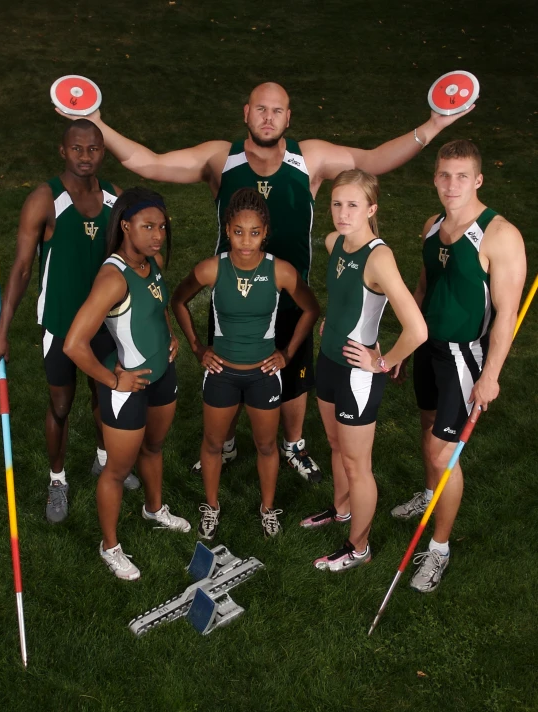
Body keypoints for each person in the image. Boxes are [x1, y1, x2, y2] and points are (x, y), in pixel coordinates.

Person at [57, 82, 471, 483]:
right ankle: (227, 442)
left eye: (277, 110)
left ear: (288, 117)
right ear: (246, 114)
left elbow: (375, 160)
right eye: (260, 108)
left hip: (291, 294)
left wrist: (433, 124)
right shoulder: (221, 159)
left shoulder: (311, 158)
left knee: (290, 378)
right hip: (233, 296)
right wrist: (96, 121)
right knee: (229, 365)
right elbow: (147, 162)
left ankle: (293, 444)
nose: (268, 117)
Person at [0, 119, 140, 527]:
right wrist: (2, 332)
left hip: (106, 324)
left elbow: (136, 259)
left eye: (93, 149)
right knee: (60, 405)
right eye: (77, 149)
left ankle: (104, 458)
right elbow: (21, 269)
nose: (85, 156)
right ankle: (58, 479)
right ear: (63, 151)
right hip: (60, 324)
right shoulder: (45, 199)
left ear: (102, 152)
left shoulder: (116, 199)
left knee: (105, 397)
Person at [390, 140, 526, 592]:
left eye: (462, 176)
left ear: (479, 179)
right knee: (426, 425)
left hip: (464, 355)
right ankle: (429, 497)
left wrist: (490, 376)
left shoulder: (499, 234)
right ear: (434, 177)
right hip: (429, 346)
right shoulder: (432, 226)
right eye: (445, 175)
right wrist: (408, 346)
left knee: (442, 453)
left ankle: (439, 549)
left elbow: (507, 314)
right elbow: (424, 287)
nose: (452, 185)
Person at [171, 188, 320, 539]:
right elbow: (178, 299)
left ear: (265, 231)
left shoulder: (280, 271)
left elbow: (311, 308)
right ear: (227, 230)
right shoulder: (212, 268)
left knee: (267, 446)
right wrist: (196, 347)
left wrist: (286, 353)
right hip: (221, 374)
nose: (246, 241)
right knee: (212, 443)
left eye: (254, 233)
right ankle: (212, 506)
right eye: (238, 232)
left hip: (262, 376)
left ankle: (268, 509)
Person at [298, 170, 427, 571]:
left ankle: (359, 548)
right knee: (336, 447)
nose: (342, 212)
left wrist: (383, 362)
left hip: (358, 375)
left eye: (353, 205)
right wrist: (332, 321)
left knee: (358, 465)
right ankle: (341, 510)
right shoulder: (336, 241)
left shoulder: (379, 257)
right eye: (337, 203)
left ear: (372, 209)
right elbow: (343, 295)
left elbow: (417, 330)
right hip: (329, 360)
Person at [64, 187, 190, 580]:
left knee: (153, 447)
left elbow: (158, 307)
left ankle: (154, 509)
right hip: (128, 386)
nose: (157, 235)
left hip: (161, 375)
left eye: (162, 227)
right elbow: (73, 344)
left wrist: (170, 336)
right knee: (116, 471)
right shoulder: (112, 277)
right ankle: (110, 546)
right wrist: (112, 379)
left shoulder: (150, 263)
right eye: (148, 226)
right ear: (125, 226)